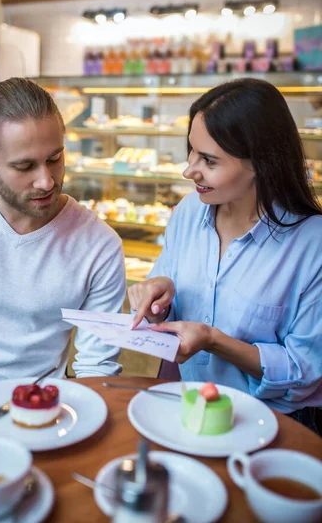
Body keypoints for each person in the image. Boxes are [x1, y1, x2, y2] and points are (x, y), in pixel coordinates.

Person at [0, 78, 126, 435]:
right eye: (24, 166)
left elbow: (98, 365)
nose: (46, 181)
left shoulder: (99, 245)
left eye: (55, 158)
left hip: (34, 414)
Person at [129, 78, 322, 429]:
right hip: (186, 407)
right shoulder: (189, 212)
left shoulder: (312, 244)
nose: (189, 170)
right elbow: (169, 309)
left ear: (260, 163)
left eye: (208, 160)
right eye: (190, 151)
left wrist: (214, 341)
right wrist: (157, 303)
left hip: (272, 426)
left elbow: (304, 371)